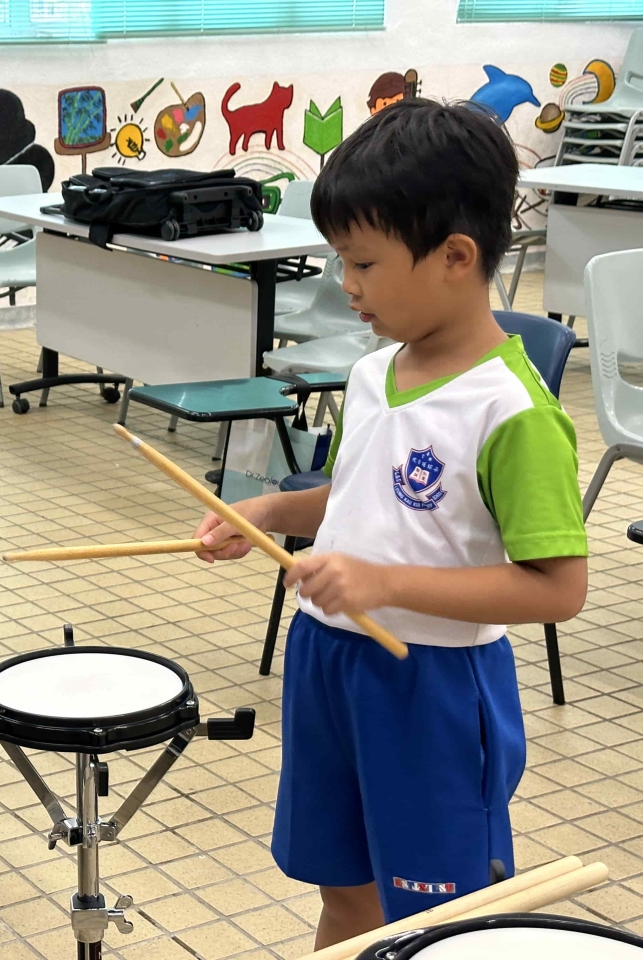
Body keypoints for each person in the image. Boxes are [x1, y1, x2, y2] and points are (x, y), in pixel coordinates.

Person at [192, 99, 587, 949]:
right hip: (326, 661)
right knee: (343, 895)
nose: (347, 284)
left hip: (432, 685)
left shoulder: (513, 411)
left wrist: (384, 583)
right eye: (341, 260)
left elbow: (559, 590)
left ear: (455, 257)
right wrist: (271, 510)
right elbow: (357, 496)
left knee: (437, 922)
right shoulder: (374, 373)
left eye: (364, 263)